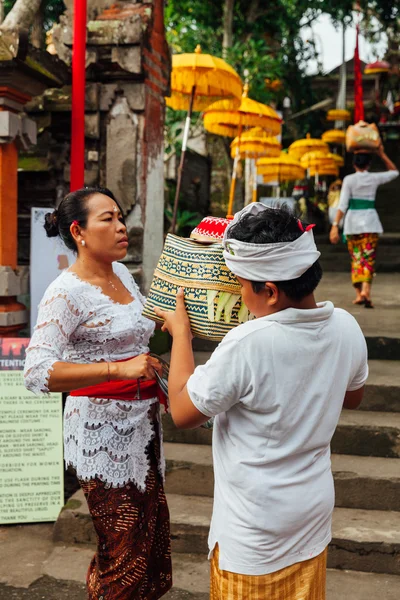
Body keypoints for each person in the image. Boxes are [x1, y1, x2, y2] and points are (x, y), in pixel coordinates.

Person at [155, 204, 368, 600]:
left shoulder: (247, 343)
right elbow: (352, 397)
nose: (238, 292)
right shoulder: (346, 326)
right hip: (311, 514)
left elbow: (182, 412)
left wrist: (181, 335)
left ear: (269, 291)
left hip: (255, 530)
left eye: (241, 284)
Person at [24, 187, 172, 600]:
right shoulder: (64, 293)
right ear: (79, 231)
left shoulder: (121, 274)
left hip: (143, 425)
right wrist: (117, 369)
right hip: (101, 434)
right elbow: (36, 372)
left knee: (146, 545)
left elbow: (135, 334)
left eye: (121, 217)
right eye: (107, 219)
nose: (121, 226)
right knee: (121, 556)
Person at [329, 145, 398, 308]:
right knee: (367, 258)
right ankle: (366, 291)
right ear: (368, 165)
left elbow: (343, 205)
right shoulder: (373, 178)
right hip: (370, 223)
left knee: (356, 259)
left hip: (352, 225)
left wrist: (334, 225)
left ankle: (360, 294)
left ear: (354, 164)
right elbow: (394, 172)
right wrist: (381, 153)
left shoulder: (349, 180)